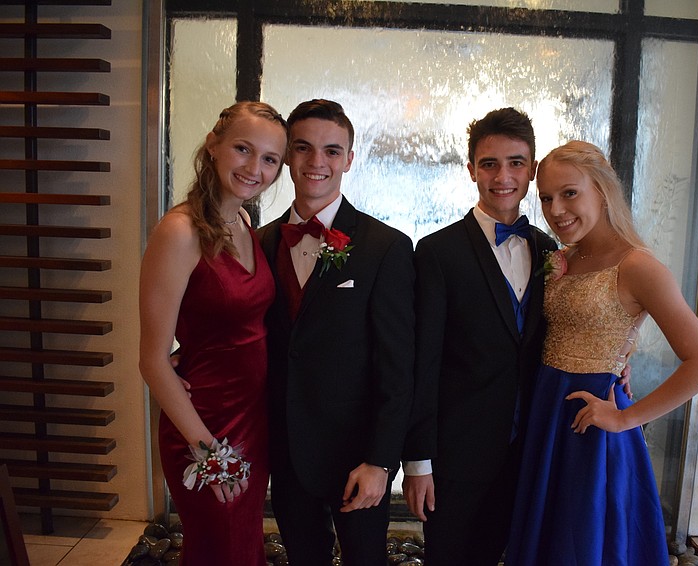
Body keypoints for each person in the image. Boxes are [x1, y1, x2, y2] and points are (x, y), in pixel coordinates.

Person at [505, 141, 698, 565]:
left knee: (581, 540)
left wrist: (626, 417)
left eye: (570, 193)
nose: (556, 210)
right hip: (548, 411)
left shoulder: (638, 266)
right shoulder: (562, 257)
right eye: (546, 198)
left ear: (603, 190)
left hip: (593, 422)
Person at [257, 99, 415, 566]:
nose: (316, 162)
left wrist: (381, 461)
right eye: (303, 147)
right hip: (285, 449)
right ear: (287, 156)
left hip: (357, 455)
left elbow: (397, 366)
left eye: (331, 150)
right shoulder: (260, 243)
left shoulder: (385, 247)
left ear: (349, 158)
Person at [401, 107, 558, 565]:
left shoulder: (549, 250)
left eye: (515, 163)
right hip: (457, 458)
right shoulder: (437, 252)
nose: (502, 176)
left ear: (532, 169)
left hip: (530, 452)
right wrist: (418, 462)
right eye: (489, 164)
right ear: (471, 170)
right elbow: (423, 363)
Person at [138, 101, 288, 565]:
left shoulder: (243, 222)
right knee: (221, 547)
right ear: (213, 145)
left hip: (251, 416)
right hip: (205, 425)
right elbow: (152, 359)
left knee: (242, 544)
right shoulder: (180, 232)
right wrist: (210, 453)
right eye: (243, 149)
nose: (254, 168)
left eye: (270, 159)